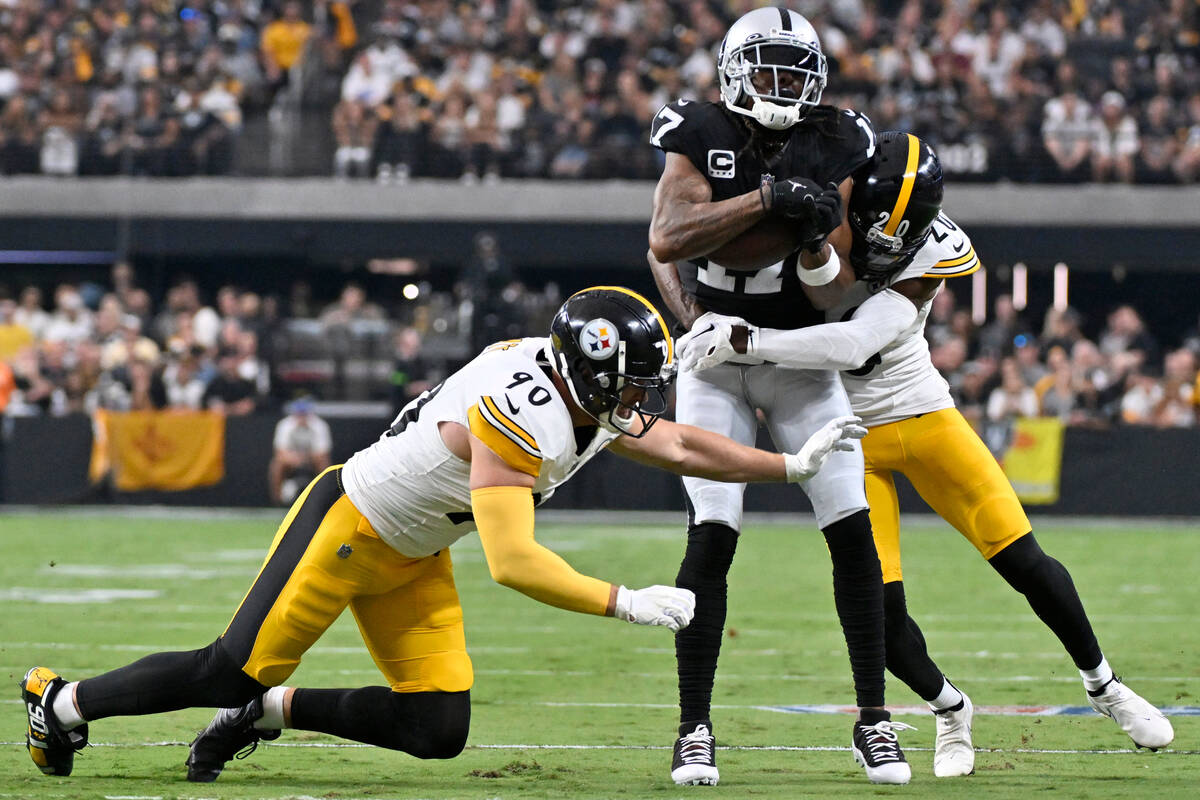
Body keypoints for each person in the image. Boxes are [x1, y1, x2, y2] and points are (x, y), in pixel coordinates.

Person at [21, 286, 866, 783]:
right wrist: (626, 603)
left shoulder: (585, 389)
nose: (641, 400)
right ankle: (59, 701)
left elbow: (678, 440)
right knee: (224, 666)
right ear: (586, 374)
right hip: (350, 524)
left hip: (415, 551)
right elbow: (513, 561)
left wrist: (786, 467)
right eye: (631, 383)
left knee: (438, 729)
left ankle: (269, 713)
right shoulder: (524, 410)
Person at [673, 132, 1175, 777]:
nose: (887, 244)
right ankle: (948, 708)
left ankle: (1104, 685)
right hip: (846, 430)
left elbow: (853, 342)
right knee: (877, 607)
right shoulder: (814, 218)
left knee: (1022, 556)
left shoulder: (934, 244)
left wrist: (746, 341)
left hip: (922, 408)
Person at [647, 7, 903, 786]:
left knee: (852, 530)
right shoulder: (696, 128)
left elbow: (835, 297)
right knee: (713, 537)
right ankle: (694, 728)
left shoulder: (839, 138)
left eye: (797, 72)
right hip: (713, 359)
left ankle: (875, 721)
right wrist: (767, 202)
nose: (783, 86)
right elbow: (668, 238)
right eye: (768, 69)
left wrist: (818, 236)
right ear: (732, 71)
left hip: (795, 354)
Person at [268, 397, 333, 505]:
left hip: (312, 459)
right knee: (277, 464)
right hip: (292, 459)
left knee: (324, 465)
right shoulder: (285, 425)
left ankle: (324, 499)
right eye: (299, 414)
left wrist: (305, 458)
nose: (301, 417)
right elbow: (280, 452)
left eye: (304, 414)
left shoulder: (320, 426)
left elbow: (322, 453)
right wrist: (295, 458)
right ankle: (277, 501)